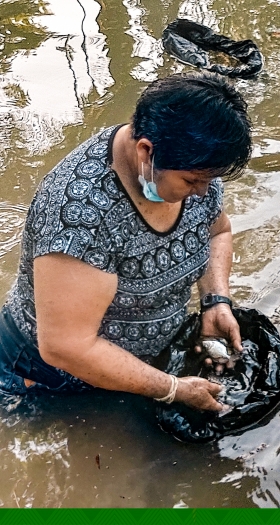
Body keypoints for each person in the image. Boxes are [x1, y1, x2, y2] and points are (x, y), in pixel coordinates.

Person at [0, 71, 252, 412]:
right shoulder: (80, 215)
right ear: (146, 151)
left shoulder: (189, 165)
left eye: (210, 180)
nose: (203, 192)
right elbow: (66, 347)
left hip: (142, 366)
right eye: (193, 181)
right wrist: (172, 388)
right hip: (50, 379)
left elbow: (217, 230)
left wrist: (215, 300)